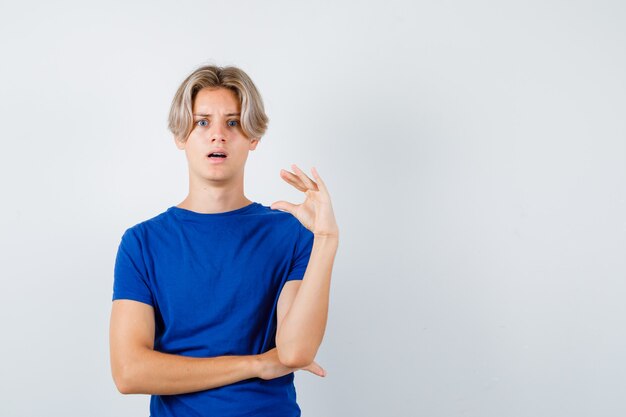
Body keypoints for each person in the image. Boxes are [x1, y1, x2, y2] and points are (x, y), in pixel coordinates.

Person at [108, 64, 339, 417]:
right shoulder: (142, 243)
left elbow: (295, 353)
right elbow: (129, 372)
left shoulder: (288, 233)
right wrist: (256, 365)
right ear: (181, 136)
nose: (218, 135)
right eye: (203, 122)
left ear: (253, 137)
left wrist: (325, 238)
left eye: (232, 123)